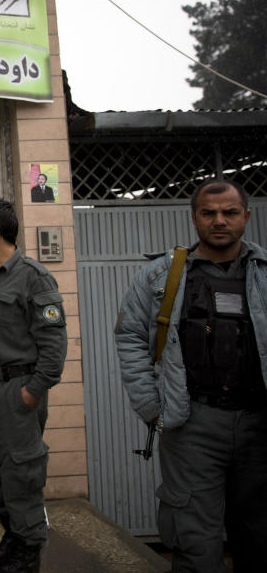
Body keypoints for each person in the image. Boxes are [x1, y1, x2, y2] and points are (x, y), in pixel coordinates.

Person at [114, 179, 267, 572]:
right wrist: (150, 404)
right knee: (195, 541)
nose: (220, 221)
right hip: (193, 424)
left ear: (246, 217)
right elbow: (130, 336)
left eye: (230, 213)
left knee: (259, 534)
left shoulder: (264, 273)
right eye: (209, 213)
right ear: (194, 217)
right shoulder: (160, 276)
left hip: (259, 425)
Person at [0, 198, 67, 572]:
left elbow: (54, 345)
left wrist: (33, 391)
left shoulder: (33, 277)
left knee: (21, 472)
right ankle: (15, 532)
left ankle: (28, 548)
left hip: (17, 390)